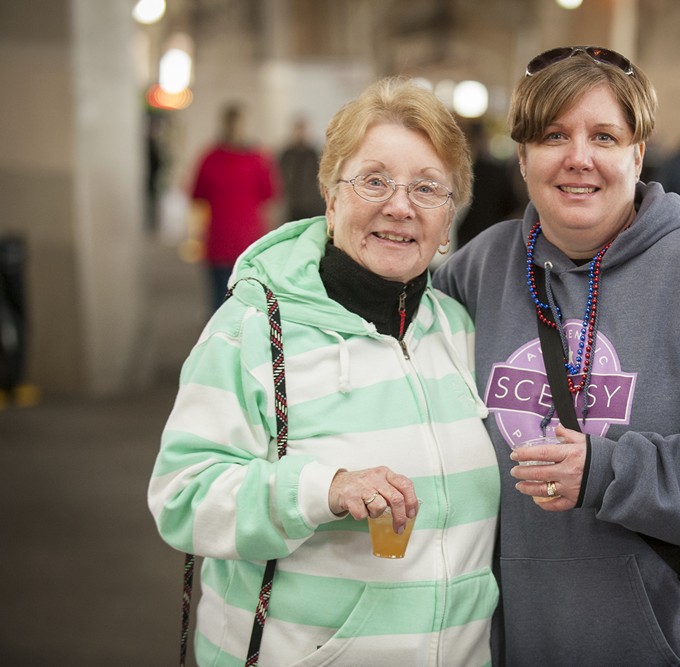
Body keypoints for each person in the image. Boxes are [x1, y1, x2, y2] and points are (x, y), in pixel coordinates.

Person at [434, 46, 680, 665]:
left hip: (677, 649)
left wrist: (612, 473)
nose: (578, 157)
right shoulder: (481, 267)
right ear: (525, 155)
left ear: (637, 154)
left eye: (605, 136)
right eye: (554, 134)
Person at [149, 78, 500, 666]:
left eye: (427, 187)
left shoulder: (461, 330)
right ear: (331, 197)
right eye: (374, 180)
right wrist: (321, 490)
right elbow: (182, 497)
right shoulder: (253, 329)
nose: (400, 205)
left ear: (448, 218)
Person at [190, 102, 279, 311]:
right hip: (221, 241)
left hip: (248, 241)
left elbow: (269, 194)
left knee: (247, 305)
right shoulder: (212, 158)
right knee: (221, 304)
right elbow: (198, 194)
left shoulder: (256, 158)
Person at [455, 120, 523, 250]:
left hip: (483, 240)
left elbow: (510, 205)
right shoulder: (451, 172)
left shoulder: (493, 171)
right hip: (467, 240)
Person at [278, 115, 328, 222]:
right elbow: (281, 176)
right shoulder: (287, 154)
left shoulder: (314, 154)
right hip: (294, 203)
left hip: (312, 202)